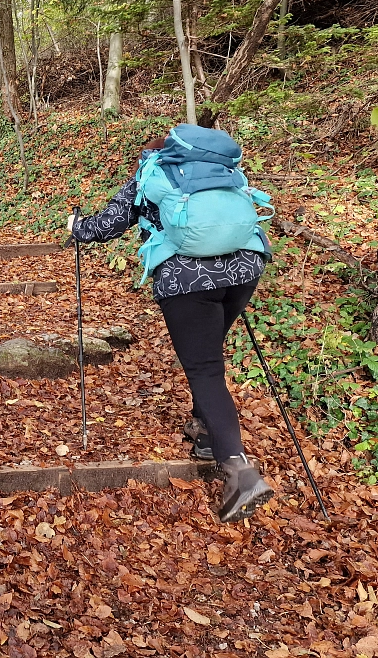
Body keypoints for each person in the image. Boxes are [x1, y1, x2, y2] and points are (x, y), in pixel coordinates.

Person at [66, 129, 274, 523]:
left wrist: (78, 226)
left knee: (204, 367)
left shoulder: (151, 172)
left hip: (187, 278)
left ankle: (240, 472)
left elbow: (109, 223)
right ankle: (207, 435)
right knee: (208, 356)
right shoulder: (221, 171)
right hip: (245, 268)